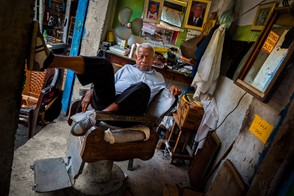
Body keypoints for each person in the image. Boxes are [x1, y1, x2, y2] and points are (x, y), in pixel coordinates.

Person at [28, 21, 182, 136]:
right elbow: (107, 84)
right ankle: (48, 61)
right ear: (136, 57)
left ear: (154, 59)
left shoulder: (159, 77)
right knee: (105, 64)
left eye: (148, 57)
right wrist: (90, 93)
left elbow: (165, 98)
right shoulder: (127, 68)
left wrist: (173, 91)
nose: (143, 59)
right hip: (106, 101)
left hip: (128, 113)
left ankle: (95, 117)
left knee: (142, 87)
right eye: (141, 56)